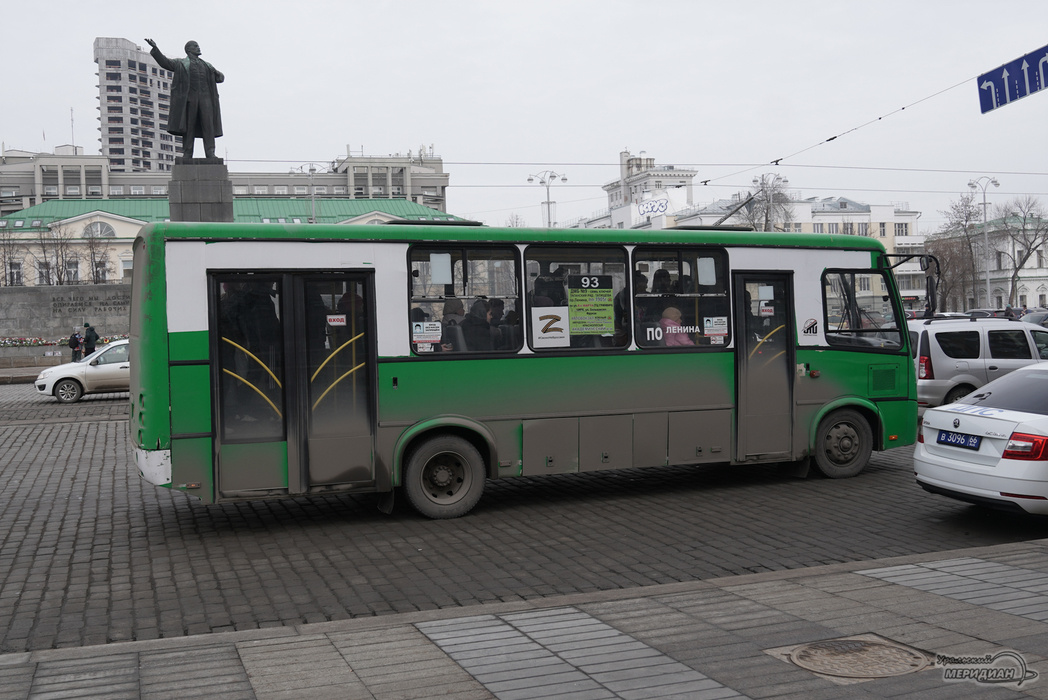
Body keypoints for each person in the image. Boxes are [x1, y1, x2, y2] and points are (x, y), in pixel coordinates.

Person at [145, 38, 224, 159]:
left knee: (208, 126)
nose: (198, 48)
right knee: (189, 126)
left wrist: (217, 73)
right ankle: (187, 153)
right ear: (188, 50)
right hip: (189, 99)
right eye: (195, 46)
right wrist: (155, 49)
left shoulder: (207, 65)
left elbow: (220, 78)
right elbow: (165, 62)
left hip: (206, 99)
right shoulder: (180, 63)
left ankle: (210, 152)